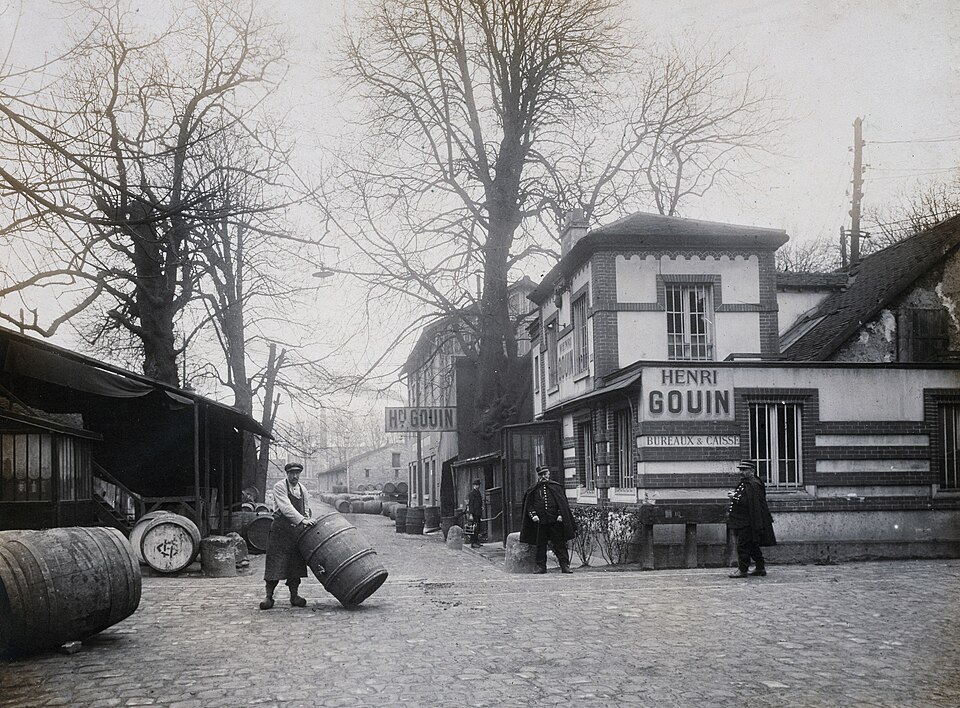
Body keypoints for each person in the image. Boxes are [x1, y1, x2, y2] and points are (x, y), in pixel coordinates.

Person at [259, 462, 318, 609]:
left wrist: (306, 519)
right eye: (292, 473)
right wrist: (303, 520)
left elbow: (306, 509)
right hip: (280, 531)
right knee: (275, 564)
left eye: (297, 473)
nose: (295, 476)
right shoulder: (280, 487)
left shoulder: (302, 489)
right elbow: (286, 508)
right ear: (287, 474)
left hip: (295, 533)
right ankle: (269, 597)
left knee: (295, 564)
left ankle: (294, 596)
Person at [519, 464, 576, 574]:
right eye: (541, 475)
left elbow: (562, 503)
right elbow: (529, 505)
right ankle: (541, 567)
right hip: (541, 522)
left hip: (555, 522)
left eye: (545, 474)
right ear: (538, 476)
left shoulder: (556, 487)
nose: (544, 477)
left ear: (548, 475)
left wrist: (560, 515)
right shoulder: (533, 489)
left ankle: (565, 566)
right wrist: (533, 515)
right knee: (540, 545)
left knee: (559, 544)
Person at [726, 459, 776, 578]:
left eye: (745, 470)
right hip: (745, 520)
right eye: (741, 470)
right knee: (752, 545)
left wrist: (735, 496)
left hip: (748, 521)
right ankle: (760, 567)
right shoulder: (749, 483)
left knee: (743, 545)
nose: (742, 472)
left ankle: (742, 570)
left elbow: (749, 502)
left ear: (752, 471)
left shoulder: (753, 484)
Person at [467, 480, 484, 548]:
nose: (477, 486)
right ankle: (473, 542)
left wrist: (481, 507)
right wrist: (471, 514)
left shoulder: (478, 493)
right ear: (474, 485)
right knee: (474, 527)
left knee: (478, 527)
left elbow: (479, 502)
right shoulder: (472, 493)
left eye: (478, 485)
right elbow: (471, 504)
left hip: (478, 512)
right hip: (474, 513)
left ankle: (476, 541)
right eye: (476, 485)